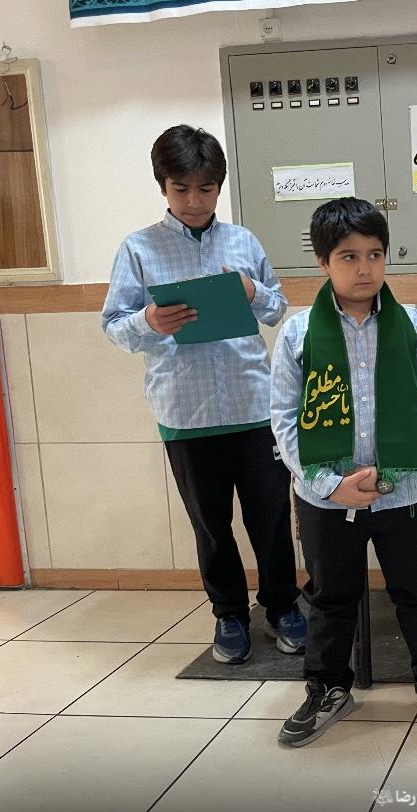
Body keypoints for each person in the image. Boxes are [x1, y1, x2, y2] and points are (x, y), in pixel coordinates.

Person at [101, 124, 304, 664]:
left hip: (253, 407)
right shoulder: (138, 248)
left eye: (206, 189)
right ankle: (229, 615)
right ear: (162, 187)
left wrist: (252, 290)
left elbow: (276, 309)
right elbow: (114, 325)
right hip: (185, 412)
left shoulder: (243, 242)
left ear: (219, 186)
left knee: (271, 519)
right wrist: (148, 320)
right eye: (181, 189)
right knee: (211, 527)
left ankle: (283, 606)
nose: (194, 201)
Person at [269, 197, 417, 749]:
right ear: (323, 263)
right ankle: (328, 690)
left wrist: (386, 477)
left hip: (404, 494)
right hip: (327, 498)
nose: (364, 269)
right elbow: (283, 419)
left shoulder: (416, 329)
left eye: (374, 255)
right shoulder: (298, 334)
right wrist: (331, 485)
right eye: (349, 257)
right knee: (330, 598)